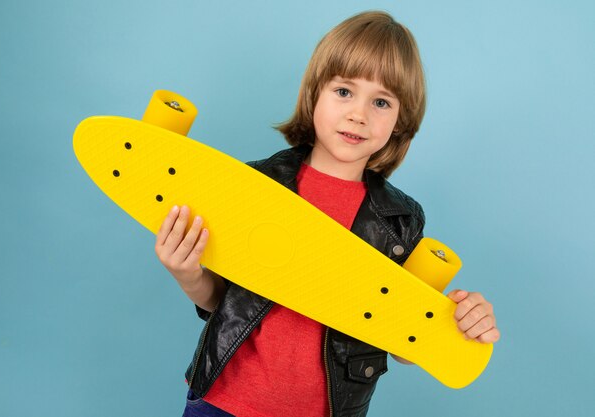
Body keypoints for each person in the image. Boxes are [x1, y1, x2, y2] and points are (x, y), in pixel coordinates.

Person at [154, 10, 500, 417]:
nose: (359, 114)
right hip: (222, 402)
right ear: (315, 93)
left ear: (400, 121)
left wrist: (459, 323)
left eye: (382, 101)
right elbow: (221, 303)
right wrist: (187, 272)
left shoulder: (399, 222)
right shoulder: (257, 183)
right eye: (344, 92)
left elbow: (400, 340)